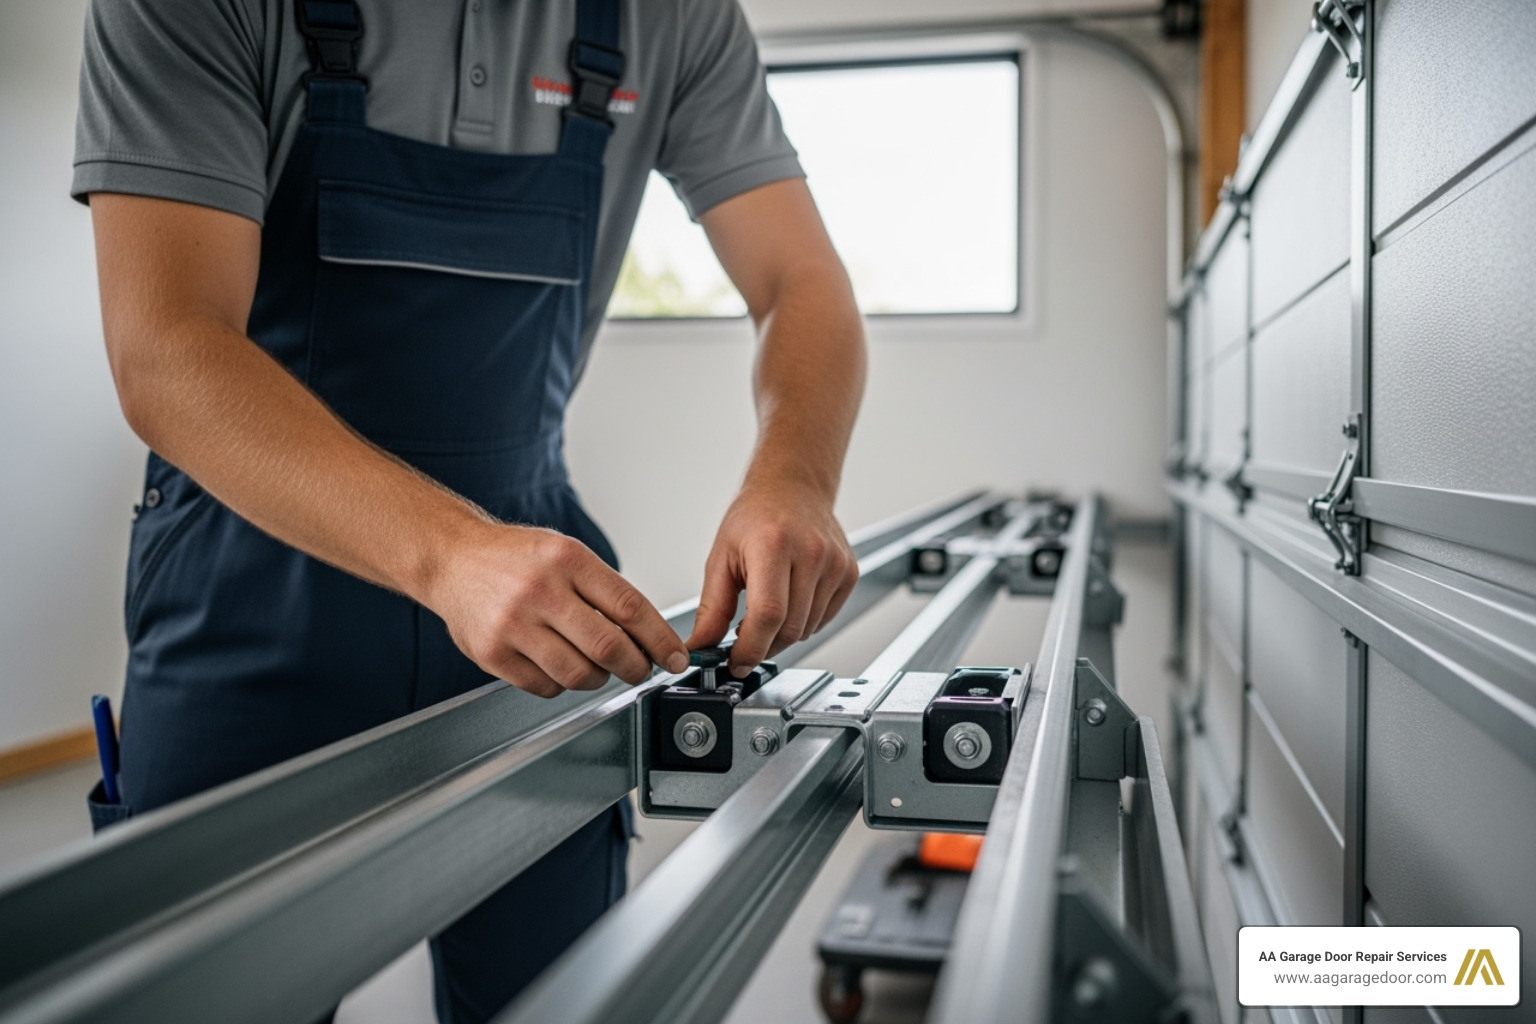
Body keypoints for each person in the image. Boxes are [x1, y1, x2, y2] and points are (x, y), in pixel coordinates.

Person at [73, 0, 866, 1019]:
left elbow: (802, 277)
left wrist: (795, 476)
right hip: (246, 589)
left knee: (560, 994)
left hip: (537, 597)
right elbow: (167, 348)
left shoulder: (677, 18)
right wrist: (451, 555)